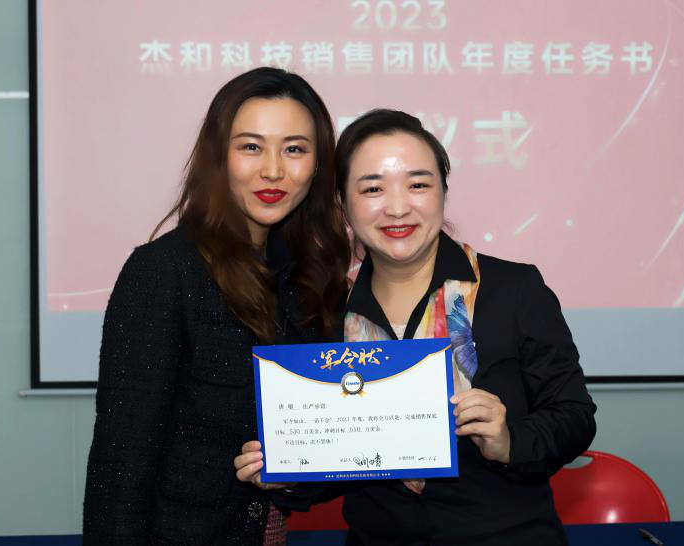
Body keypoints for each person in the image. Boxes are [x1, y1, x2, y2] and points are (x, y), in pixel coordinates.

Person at [235, 109, 597, 545]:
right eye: (372, 188)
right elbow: (342, 463)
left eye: (418, 184)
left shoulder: (512, 289)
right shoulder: (327, 310)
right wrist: (288, 473)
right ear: (342, 204)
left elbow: (574, 416)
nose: (397, 207)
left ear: (443, 191)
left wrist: (509, 440)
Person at [82, 67, 350, 546]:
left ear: (318, 165)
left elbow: (318, 447)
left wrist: (291, 475)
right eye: (251, 147)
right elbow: (121, 460)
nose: (273, 170)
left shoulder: (309, 279)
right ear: (218, 156)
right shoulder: (164, 271)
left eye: (294, 149)